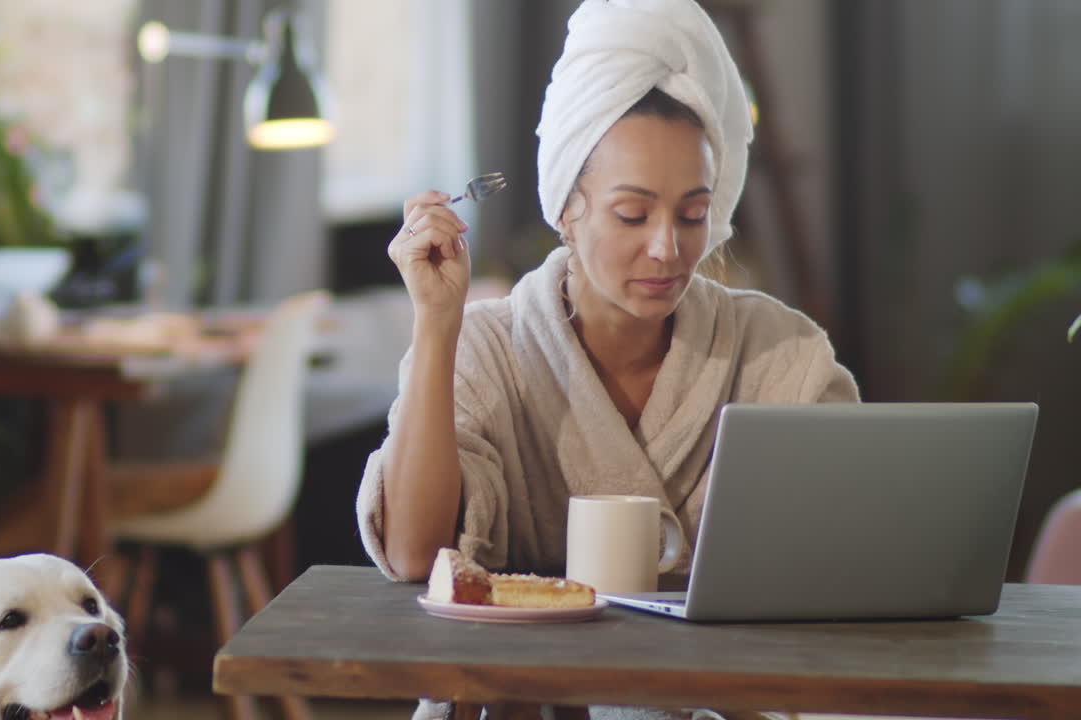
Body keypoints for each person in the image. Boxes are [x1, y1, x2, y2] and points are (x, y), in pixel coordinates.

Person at [357, 1, 859, 717]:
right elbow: (414, 557)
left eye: (693, 215)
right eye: (632, 214)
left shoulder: (781, 353)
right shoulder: (487, 348)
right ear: (567, 208)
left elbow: (850, 560)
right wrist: (438, 323)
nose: (668, 248)